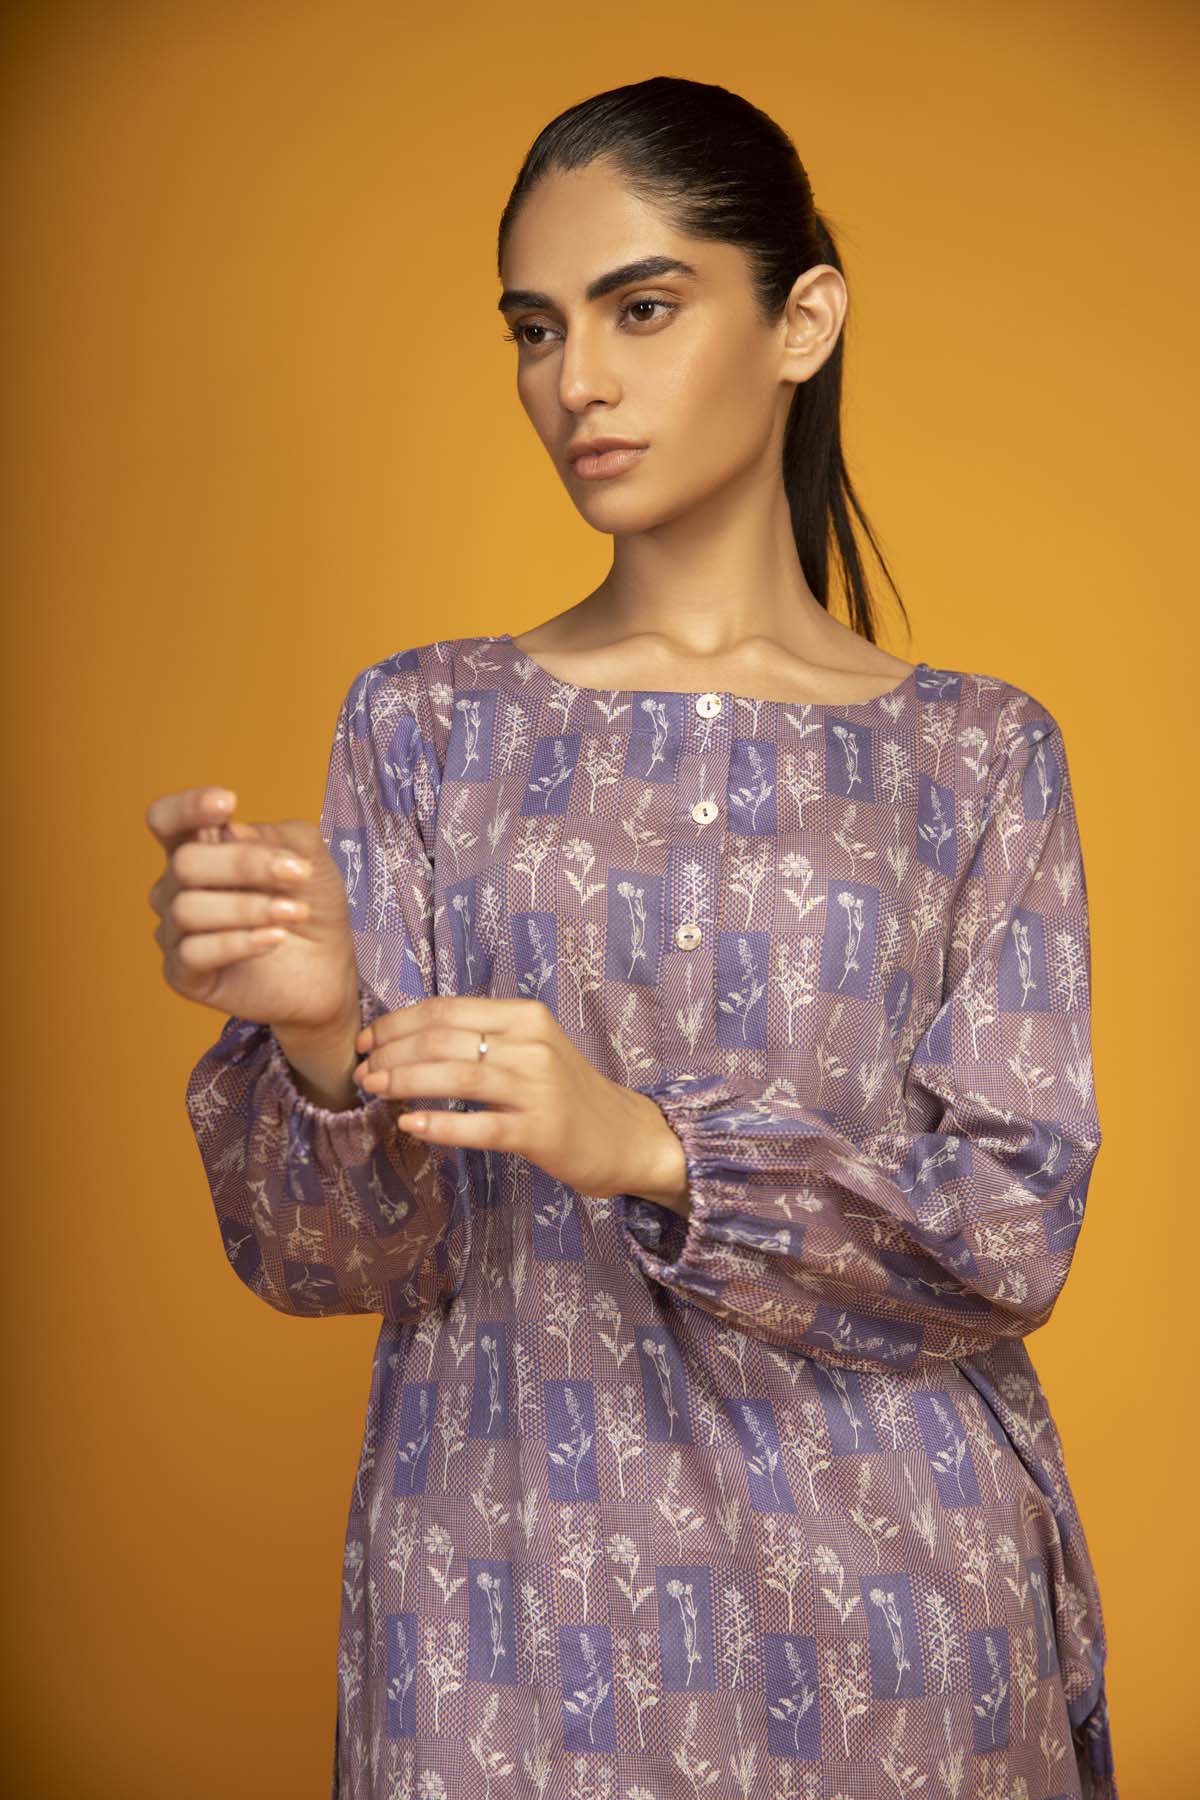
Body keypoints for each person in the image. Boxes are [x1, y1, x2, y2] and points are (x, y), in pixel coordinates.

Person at [148, 75, 1117, 1800]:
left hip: (903, 1612)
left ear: (803, 319)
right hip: (505, 1604)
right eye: (536, 328)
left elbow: (1010, 1228)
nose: (574, 381)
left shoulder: (977, 756)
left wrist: (652, 1147)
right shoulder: (423, 727)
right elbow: (327, 1260)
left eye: (641, 308)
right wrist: (317, 1037)